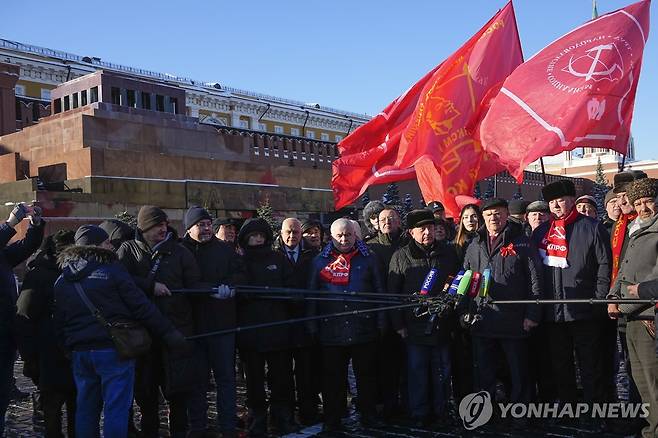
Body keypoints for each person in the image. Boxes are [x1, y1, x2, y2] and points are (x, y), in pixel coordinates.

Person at [53, 225, 190, 438]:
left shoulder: (63, 280)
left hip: (80, 352)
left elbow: (59, 320)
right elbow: (141, 307)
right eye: (107, 242)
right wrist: (169, 332)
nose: (111, 245)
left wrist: (67, 348)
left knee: (86, 408)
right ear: (96, 245)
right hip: (112, 349)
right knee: (116, 408)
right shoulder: (111, 271)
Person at [531, 180, 611, 431]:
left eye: (561, 200)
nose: (556, 205)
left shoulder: (591, 227)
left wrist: (598, 299)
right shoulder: (540, 232)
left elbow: (603, 265)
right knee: (560, 364)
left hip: (583, 308)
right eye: (551, 202)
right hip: (553, 312)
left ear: (571, 200)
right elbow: (535, 271)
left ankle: (592, 410)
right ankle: (568, 408)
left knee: (590, 363)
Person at [117, 205, 202, 438]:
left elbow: (194, 285)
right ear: (144, 228)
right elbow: (119, 281)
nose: (162, 229)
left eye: (164, 224)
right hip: (143, 336)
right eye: (157, 226)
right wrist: (150, 286)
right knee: (146, 396)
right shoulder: (128, 250)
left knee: (178, 394)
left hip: (176, 331)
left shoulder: (180, 252)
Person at [464, 199, 542, 428]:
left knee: (518, 371)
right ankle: (484, 412)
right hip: (483, 317)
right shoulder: (475, 243)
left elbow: (535, 280)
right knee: (485, 372)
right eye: (488, 215)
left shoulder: (522, 242)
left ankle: (520, 412)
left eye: (498, 214)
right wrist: (465, 311)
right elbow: (466, 278)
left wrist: (533, 314)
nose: (493, 219)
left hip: (514, 319)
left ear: (507, 215)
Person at [307, 218, 385, 432]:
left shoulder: (369, 258)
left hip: (364, 327)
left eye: (348, 235)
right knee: (332, 378)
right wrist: (313, 327)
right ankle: (333, 416)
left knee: (366, 375)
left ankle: (368, 414)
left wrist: (380, 322)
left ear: (355, 235)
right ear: (331, 237)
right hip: (331, 327)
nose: (344, 239)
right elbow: (312, 296)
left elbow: (379, 291)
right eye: (339, 235)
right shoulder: (319, 261)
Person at [388, 209, 459, 426]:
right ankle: (419, 412)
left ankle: (441, 410)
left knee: (442, 371)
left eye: (430, 227)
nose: (427, 232)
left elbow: (456, 282)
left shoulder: (448, 253)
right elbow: (393, 293)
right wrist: (398, 324)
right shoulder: (401, 256)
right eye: (422, 229)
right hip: (414, 325)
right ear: (411, 232)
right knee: (417, 371)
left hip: (442, 324)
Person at [181, 207, 245, 438]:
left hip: (222, 324)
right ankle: (198, 426)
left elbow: (240, 272)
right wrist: (207, 290)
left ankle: (227, 426)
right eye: (202, 225)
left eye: (209, 224)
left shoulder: (224, 250)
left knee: (225, 379)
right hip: (193, 327)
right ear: (189, 228)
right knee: (197, 381)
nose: (207, 229)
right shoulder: (180, 250)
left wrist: (231, 286)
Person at [237, 218, 297, 437]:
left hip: (277, 330)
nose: (258, 239)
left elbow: (291, 287)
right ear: (246, 239)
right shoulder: (239, 261)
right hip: (250, 333)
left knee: (281, 378)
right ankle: (257, 419)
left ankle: (283, 416)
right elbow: (239, 290)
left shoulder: (278, 259)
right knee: (253, 381)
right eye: (253, 236)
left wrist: (283, 296)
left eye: (261, 235)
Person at [608, 178, 658, 438]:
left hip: (650, 316)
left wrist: (631, 299)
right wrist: (612, 297)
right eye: (638, 203)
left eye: (648, 201)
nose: (643, 208)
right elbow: (624, 270)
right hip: (632, 317)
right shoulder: (636, 230)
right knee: (640, 379)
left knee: (653, 381)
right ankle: (650, 429)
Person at [15, 230, 76, 438]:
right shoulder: (40, 274)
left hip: (75, 349)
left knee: (76, 404)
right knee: (53, 407)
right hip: (50, 351)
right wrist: (29, 357)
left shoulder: (77, 272)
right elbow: (24, 315)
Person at [0, 203, 44, 437]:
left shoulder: (3, 255)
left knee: (3, 393)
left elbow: (26, 246)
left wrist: (35, 225)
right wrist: (10, 224)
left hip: (6, 333)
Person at [274, 217, 321, 425]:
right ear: (281, 233)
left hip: (304, 320)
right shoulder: (274, 256)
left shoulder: (311, 256)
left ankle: (308, 410)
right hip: (282, 322)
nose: (292, 236)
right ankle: (284, 412)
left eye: (295, 232)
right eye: (288, 232)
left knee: (306, 371)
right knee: (282, 372)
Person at [366, 207, 406, 420]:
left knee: (404, 362)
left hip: (404, 311)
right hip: (381, 312)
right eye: (383, 219)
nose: (387, 222)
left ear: (399, 221)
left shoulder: (407, 244)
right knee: (383, 363)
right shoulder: (370, 247)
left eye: (392, 218)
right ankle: (385, 403)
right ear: (377, 223)